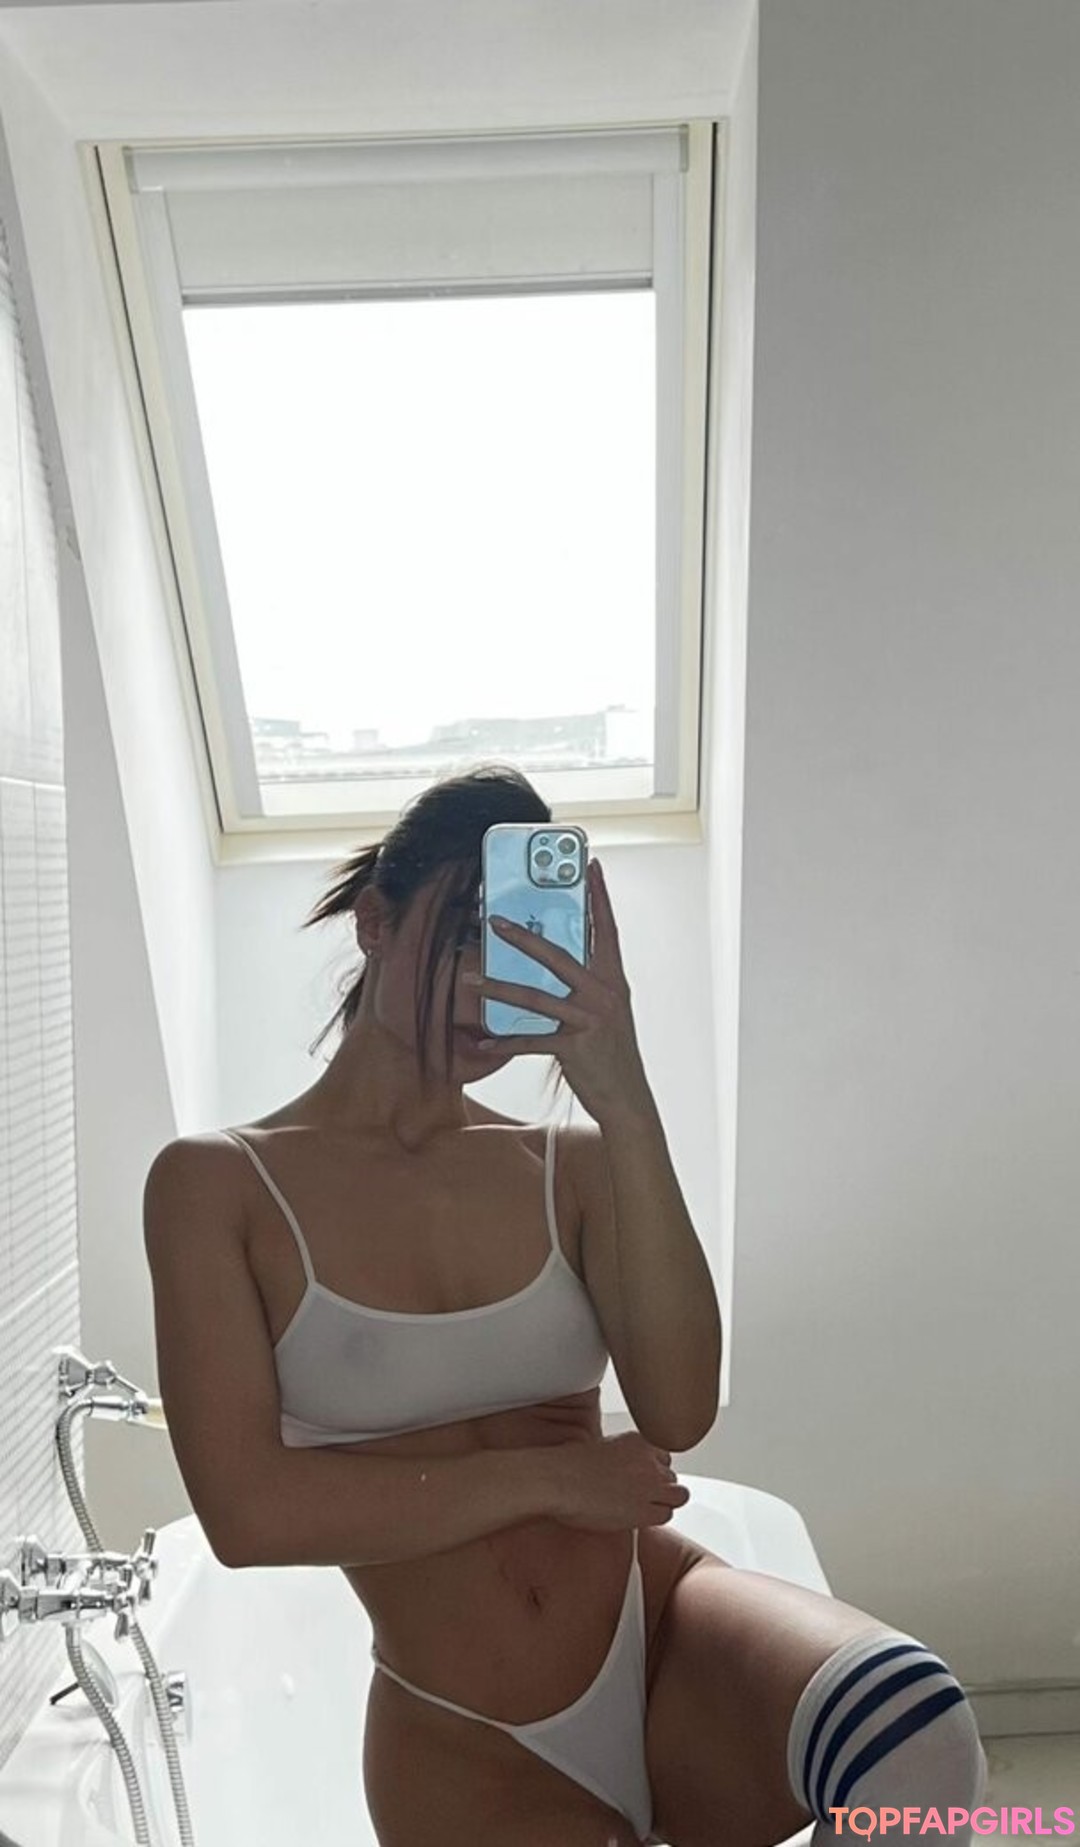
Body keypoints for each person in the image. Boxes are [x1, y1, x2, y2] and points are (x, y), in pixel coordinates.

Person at [144, 765, 988, 1847]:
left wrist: (622, 1093)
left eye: (527, 941)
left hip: (665, 1628)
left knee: (919, 1737)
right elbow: (247, 1516)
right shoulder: (216, 1186)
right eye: (467, 935)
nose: (494, 978)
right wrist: (549, 1475)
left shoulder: (570, 1163)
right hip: (468, 1737)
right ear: (375, 922)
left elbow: (679, 1409)